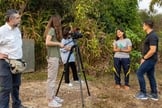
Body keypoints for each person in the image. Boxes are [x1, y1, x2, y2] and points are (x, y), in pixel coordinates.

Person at [0, 9, 26, 108]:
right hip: (5, 63)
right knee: (5, 89)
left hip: (17, 63)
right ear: (11, 19)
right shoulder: (2, 31)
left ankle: (17, 105)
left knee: (16, 86)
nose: (20, 19)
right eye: (18, 18)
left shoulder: (17, 30)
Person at [135, 20, 159, 101]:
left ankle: (143, 93)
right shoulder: (149, 35)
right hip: (150, 59)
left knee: (139, 73)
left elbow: (152, 50)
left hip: (150, 59)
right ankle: (154, 94)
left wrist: (144, 58)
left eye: (143, 25)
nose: (142, 26)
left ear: (147, 25)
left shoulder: (152, 36)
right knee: (150, 75)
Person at [44, 15, 64, 107]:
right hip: (52, 58)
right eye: (59, 21)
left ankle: (52, 96)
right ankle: (50, 100)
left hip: (55, 57)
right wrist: (58, 43)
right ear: (56, 21)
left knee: (53, 78)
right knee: (51, 79)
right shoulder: (51, 30)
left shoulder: (53, 31)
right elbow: (47, 42)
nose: (60, 22)